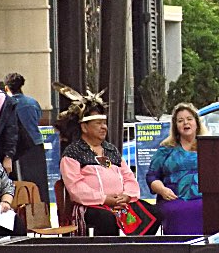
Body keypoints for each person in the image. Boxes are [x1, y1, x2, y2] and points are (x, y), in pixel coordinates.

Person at [57, 84, 161, 236]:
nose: (104, 127)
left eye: (104, 123)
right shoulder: (73, 153)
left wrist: (127, 196)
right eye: (98, 124)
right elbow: (75, 188)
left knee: (153, 214)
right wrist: (104, 199)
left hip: (120, 202)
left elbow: (128, 177)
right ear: (84, 128)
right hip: (90, 205)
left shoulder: (111, 150)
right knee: (107, 219)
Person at [146, 103, 205, 235]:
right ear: (176, 126)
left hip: (203, 198)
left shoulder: (208, 146)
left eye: (189, 119)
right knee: (177, 210)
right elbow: (151, 177)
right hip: (174, 198)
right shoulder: (166, 149)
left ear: (197, 123)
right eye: (180, 120)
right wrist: (162, 190)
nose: (185, 123)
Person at [4, 72, 50, 203]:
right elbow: (38, 118)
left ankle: (27, 214)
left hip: (20, 148)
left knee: (23, 183)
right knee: (40, 181)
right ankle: (43, 212)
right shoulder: (32, 102)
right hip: (37, 144)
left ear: (7, 88)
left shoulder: (9, 104)